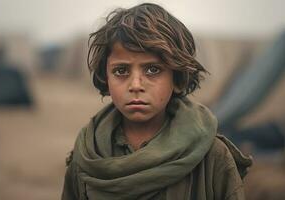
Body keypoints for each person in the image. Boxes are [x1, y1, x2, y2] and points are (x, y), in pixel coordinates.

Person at [61, 3, 252, 200]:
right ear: (106, 78)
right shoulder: (88, 155)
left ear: (177, 78)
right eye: (121, 71)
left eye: (153, 70)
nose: (135, 85)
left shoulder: (212, 156)